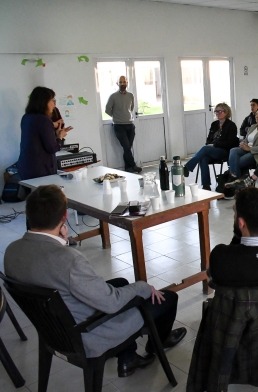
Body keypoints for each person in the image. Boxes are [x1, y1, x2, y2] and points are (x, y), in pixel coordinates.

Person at [4, 185, 186, 377]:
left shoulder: (11, 252)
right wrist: (144, 287)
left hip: (52, 329)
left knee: (121, 282)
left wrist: (62, 244)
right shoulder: (69, 260)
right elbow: (110, 302)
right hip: (87, 333)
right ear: (64, 217)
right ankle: (158, 342)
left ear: (27, 213)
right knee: (166, 297)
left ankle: (128, 357)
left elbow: (53, 272)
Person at [17, 87, 72, 181]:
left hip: (26, 167)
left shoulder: (26, 117)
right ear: (44, 101)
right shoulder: (44, 120)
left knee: (32, 195)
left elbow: (38, 139)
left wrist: (55, 134)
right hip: (40, 170)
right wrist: (60, 137)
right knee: (45, 195)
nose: (54, 104)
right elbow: (52, 148)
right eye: (52, 100)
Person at [183, 103, 238, 190]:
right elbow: (208, 139)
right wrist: (210, 145)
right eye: (216, 111)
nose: (217, 113)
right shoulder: (214, 124)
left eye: (219, 111)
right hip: (212, 150)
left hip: (224, 151)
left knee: (205, 149)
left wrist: (215, 145)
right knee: (203, 158)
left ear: (226, 112)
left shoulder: (231, 125)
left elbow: (230, 143)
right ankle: (206, 185)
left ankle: (188, 167)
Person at [226, 107, 258, 182]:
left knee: (236, 163)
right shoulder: (253, 127)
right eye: (256, 114)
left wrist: (250, 149)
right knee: (233, 150)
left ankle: (234, 180)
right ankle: (237, 181)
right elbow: (246, 139)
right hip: (247, 149)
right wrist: (243, 143)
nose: (256, 116)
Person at [105, 76, 141, 173]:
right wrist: (117, 116)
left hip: (130, 125)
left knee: (128, 148)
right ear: (117, 84)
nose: (122, 84)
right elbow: (107, 110)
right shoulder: (113, 96)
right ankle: (133, 165)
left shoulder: (131, 95)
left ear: (127, 83)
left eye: (124, 82)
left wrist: (126, 116)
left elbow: (131, 108)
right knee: (126, 147)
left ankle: (127, 168)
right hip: (119, 126)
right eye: (120, 82)